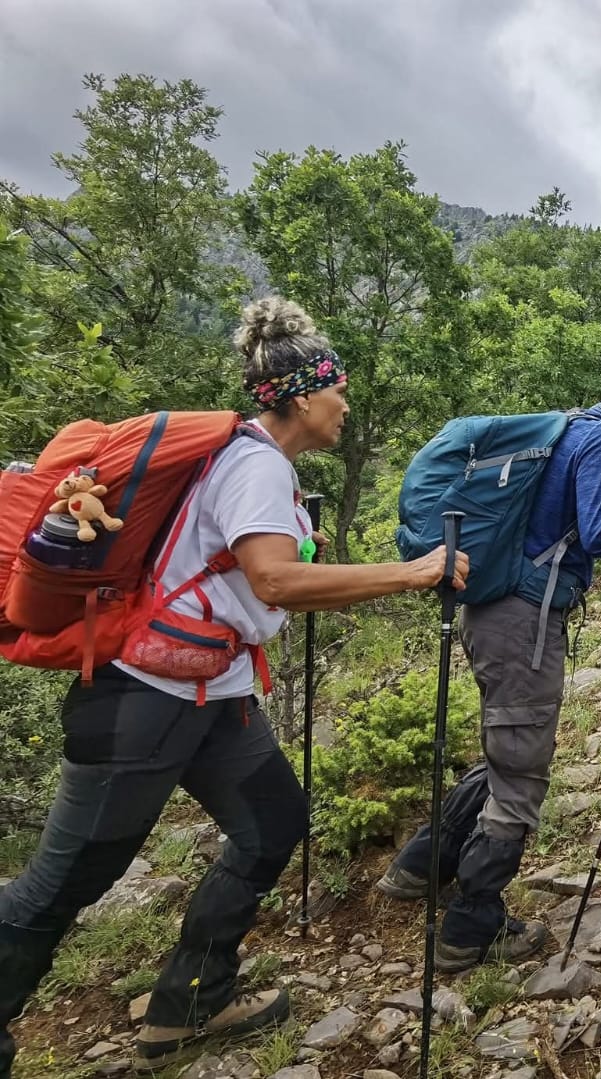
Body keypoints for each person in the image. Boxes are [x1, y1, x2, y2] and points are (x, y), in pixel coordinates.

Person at [0, 298, 471, 1075]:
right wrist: (413, 572)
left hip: (210, 695)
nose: (345, 404)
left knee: (274, 820)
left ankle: (189, 1002)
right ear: (297, 397)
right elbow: (275, 578)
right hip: (142, 701)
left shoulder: (259, 464)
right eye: (336, 390)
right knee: (63, 882)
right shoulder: (254, 464)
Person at [375, 369, 601, 972]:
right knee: (522, 766)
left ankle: (422, 866)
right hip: (523, 621)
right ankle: (471, 925)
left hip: (497, 610)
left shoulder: (568, 428)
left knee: (506, 743)